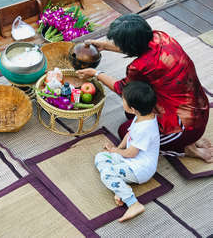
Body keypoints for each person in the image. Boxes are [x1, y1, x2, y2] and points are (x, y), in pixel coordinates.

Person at [77, 15, 211, 162]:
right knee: (131, 112)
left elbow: (122, 89)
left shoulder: (139, 67)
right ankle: (189, 138)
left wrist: (96, 73)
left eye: (117, 42)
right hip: (199, 106)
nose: (114, 44)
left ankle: (185, 148)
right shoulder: (161, 36)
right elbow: (139, 46)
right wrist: (105, 46)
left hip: (185, 125)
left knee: (125, 132)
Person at [95, 81, 159, 222]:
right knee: (101, 157)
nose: (122, 101)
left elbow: (132, 153)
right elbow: (129, 134)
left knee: (106, 174)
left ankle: (133, 203)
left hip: (140, 168)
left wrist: (117, 152)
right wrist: (117, 149)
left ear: (132, 109)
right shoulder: (142, 115)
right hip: (130, 161)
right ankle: (120, 187)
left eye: (123, 100)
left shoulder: (145, 129)